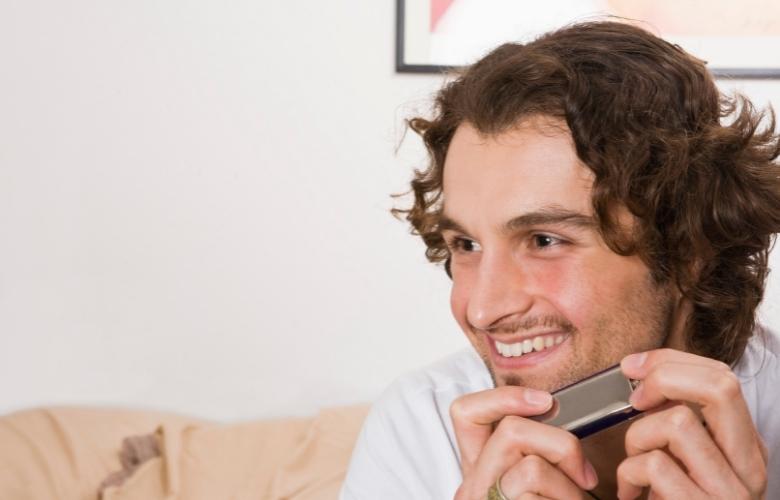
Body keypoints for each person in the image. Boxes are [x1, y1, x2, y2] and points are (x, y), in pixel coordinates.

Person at [341, 20, 780, 499]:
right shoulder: (420, 425)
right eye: (466, 245)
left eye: (544, 240)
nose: (482, 309)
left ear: (686, 249)